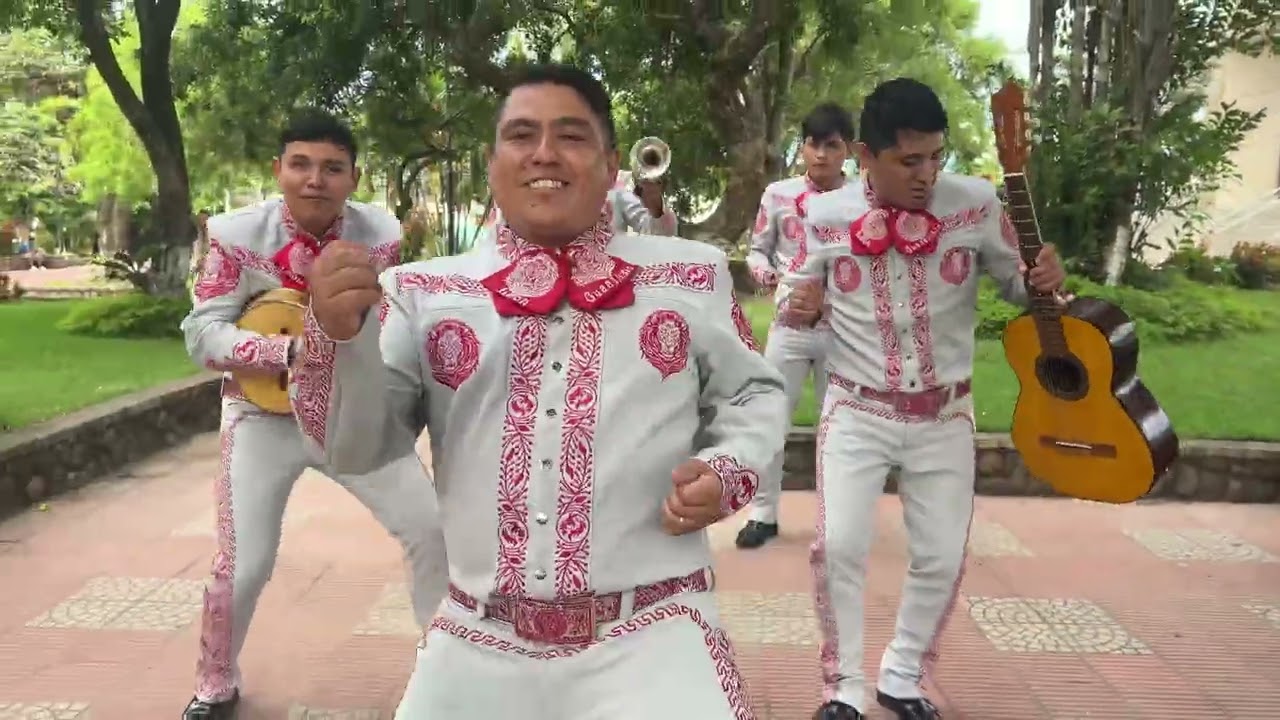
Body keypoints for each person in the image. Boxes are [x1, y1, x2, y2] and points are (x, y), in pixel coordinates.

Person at [288, 63, 789, 719]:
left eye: (572, 136)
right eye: (521, 135)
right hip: (478, 633)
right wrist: (336, 339)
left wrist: (727, 471)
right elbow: (354, 449)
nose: (544, 153)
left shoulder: (687, 277)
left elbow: (756, 395)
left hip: (653, 629)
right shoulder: (424, 293)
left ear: (611, 165)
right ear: (493, 164)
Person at [780, 79, 1067, 720]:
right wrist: (798, 305)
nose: (927, 174)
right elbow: (795, 293)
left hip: (945, 413)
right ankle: (844, 688)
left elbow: (1021, 290)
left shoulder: (975, 204)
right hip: (857, 409)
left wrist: (1042, 277)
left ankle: (904, 674)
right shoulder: (826, 215)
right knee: (838, 547)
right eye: (909, 160)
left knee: (940, 554)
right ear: (864, 154)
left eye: (935, 156)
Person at [178, 110, 449, 720]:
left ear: (354, 177)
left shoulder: (379, 236)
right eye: (300, 164)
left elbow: (386, 325)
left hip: (350, 417)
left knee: (429, 527)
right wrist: (287, 351)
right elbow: (202, 334)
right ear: (278, 171)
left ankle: (449, 665)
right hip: (261, 418)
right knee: (243, 563)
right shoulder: (234, 234)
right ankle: (214, 682)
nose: (314, 180)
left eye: (332, 168)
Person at [735, 102, 854, 550]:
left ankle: (834, 521)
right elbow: (756, 253)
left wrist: (828, 299)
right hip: (788, 326)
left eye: (832, 145)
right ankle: (763, 515)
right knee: (770, 419)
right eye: (812, 144)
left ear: (848, 151)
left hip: (843, 332)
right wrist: (781, 286)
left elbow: (870, 267)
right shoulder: (777, 195)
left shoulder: (864, 203)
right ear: (801, 147)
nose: (821, 154)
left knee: (840, 428)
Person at [476, 154, 678, 249]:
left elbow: (660, 235)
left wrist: (655, 208)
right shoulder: (529, 193)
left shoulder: (616, 193)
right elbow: (495, 248)